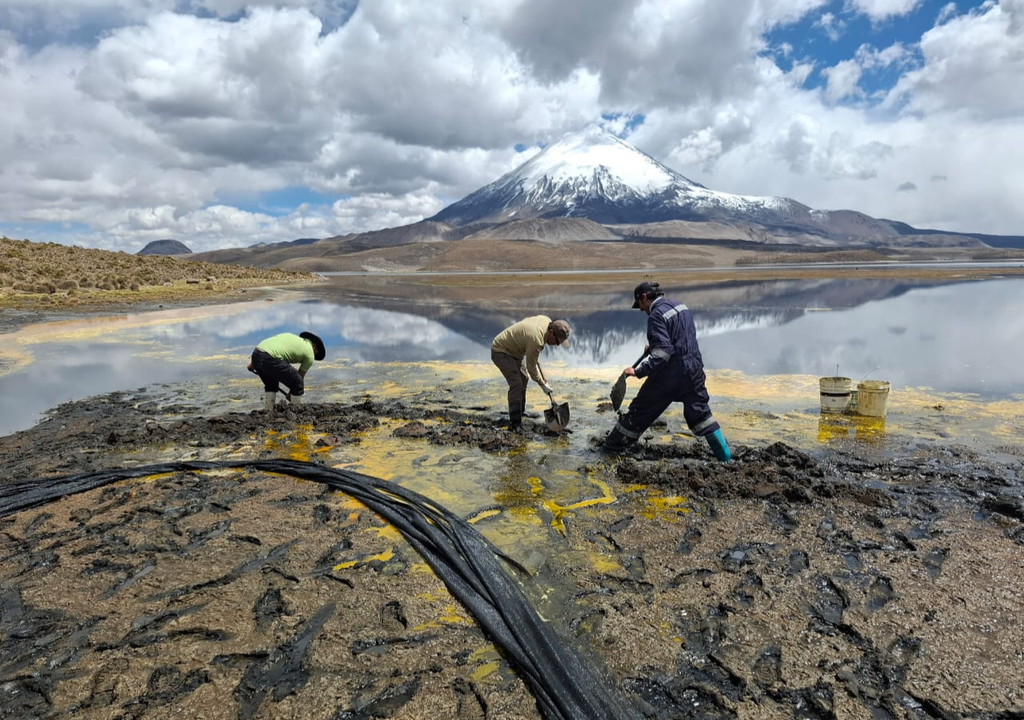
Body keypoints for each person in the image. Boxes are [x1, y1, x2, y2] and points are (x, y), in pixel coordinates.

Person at [603, 282, 731, 461]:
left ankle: (612, 448)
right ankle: (725, 459)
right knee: (702, 414)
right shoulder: (681, 306)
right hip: (694, 370)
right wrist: (655, 345)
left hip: (669, 376)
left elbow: (664, 353)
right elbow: (680, 337)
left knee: (639, 412)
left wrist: (638, 371)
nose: (641, 310)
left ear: (644, 297)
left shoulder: (655, 316)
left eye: (639, 305)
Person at [491, 317, 571, 432]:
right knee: (516, 383)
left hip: (516, 351)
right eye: (557, 341)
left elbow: (527, 323)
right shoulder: (536, 340)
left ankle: (521, 411)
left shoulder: (546, 321)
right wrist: (542, 384)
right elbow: (531, 368)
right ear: (551, 332)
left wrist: (532, 349)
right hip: (501, 350)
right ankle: (515, 424)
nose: (558, 345)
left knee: (524, 378)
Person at [247, 331, 326, 411]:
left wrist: (253, 363)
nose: (314, 356)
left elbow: (270, 346)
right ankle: (297, 411)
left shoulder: (290, 337)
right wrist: (292, 394)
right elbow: (300, 377)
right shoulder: (310, 354)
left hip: (256, 354)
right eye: (316, 353)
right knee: (297, 382)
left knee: (271, 384)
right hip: (270, 357)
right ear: (314, 346)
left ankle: (268, 409)